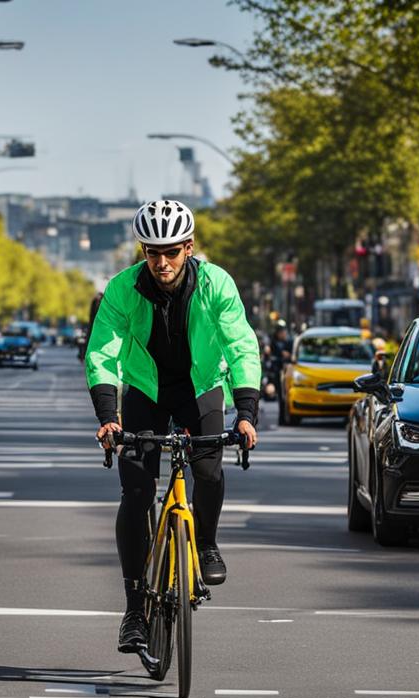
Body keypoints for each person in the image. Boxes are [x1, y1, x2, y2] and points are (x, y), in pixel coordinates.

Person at [86, 199, 261, 656]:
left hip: (199, 386)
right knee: (137, 492)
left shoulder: (216, 284)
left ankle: (205, 543)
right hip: (145, 389)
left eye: (170, 251)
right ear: (142, 251)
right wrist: (109, 417)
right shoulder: (123, 289)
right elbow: (102, 353)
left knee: (207, 470)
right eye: (151, 252)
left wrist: (246, 411)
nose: (161, 262)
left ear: (188, 247)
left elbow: (241, 345)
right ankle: (132, 612)